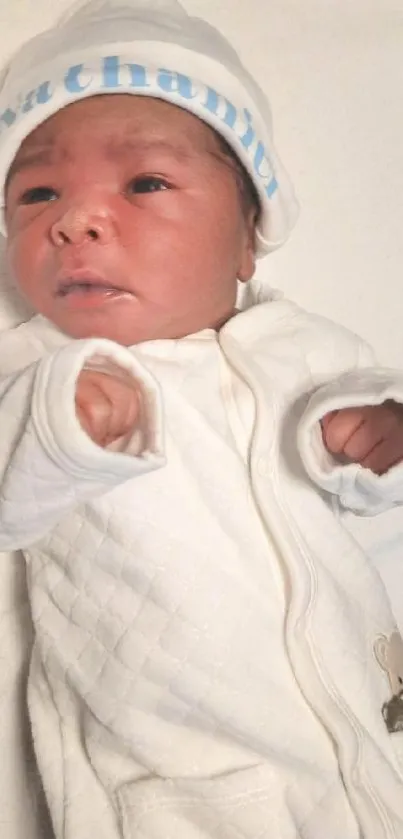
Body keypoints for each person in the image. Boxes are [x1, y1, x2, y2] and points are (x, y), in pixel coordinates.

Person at [0, 1, 403, 837]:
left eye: (144, 182)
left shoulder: (305, 347)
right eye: (37, 193)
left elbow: (370, 521)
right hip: (172, 791)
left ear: (247, 236)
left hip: (368, 733)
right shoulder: (33, 369)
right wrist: (53, 430)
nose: (74, 220)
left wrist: (372, 446)